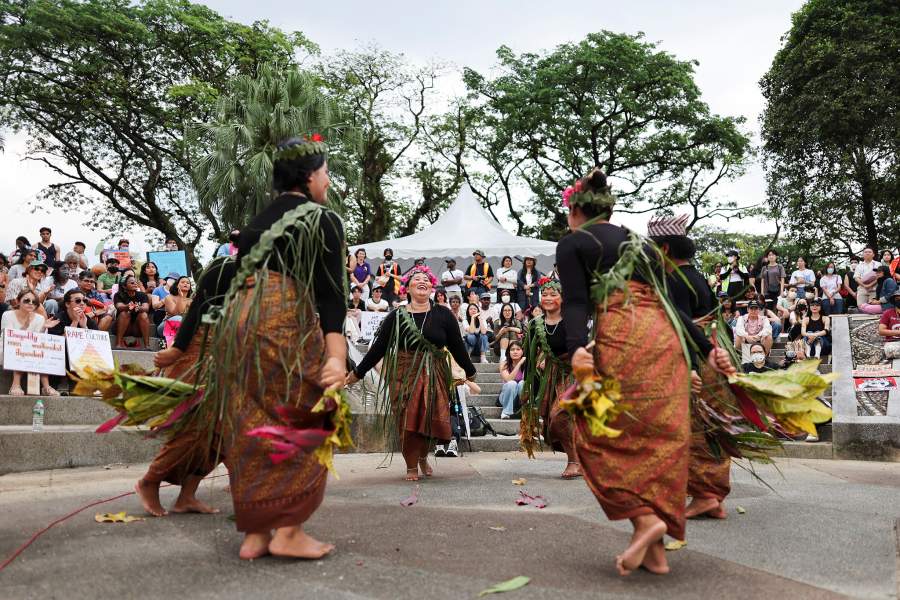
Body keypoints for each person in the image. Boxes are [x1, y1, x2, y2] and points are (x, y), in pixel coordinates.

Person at [558, 167, 734, 576]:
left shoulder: (573, 242)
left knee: (593, 428)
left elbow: (576, 302)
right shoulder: (643, 246)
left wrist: (576, 348)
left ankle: (644, 517)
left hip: (623, 340)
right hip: (666, 344)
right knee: (659, 439)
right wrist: (708, 349)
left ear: (575, 212)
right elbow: (671, 306)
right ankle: (653, 547)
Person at [189, 135, 348, 560]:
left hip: (238, 328)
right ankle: (289, 531)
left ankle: (256, 534)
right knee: (304, 416)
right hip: (284, 324)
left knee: (249, 420)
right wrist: (336, 355)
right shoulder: (321, 219)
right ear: (309, 176)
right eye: (326, 173)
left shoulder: (256, 223)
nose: (328, 181)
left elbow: (233, 282)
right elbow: (331, 295)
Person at [347, 265, 477, 481]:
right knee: (407, 419)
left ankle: (423, 456)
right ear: (407, 288)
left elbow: (457, 346)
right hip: (403, 375)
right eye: (417, 278)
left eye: (426, 279)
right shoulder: (396, 316)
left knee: (428, 418)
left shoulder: (443, 315)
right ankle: (411, 465)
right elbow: (378, 348)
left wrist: (470, 372)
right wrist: (357, 373)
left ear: (432, 287)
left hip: (433, 374)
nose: (422, 281)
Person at [138, 255, 238, 518]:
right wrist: (175, 351)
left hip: (222, 369)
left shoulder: (240, 300)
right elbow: (192, 320)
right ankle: (150, 480)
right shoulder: (212, 295)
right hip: (196, 367)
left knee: (220, 436)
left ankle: (187, 496)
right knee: (193, 431)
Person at [521, 277, 580, 479]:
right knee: (554, 421)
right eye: (544, 294)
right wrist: (527, 387)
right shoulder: (535, 325)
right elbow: (530, 359)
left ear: (562, 298)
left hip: (576, 374)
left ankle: (575, 462)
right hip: (552, 376)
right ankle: (578, 459)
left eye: (553, 294)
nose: (548, 298)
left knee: (559, 415)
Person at [1, 290, 58, 396]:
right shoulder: (7, 315)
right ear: (18, 301)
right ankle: (15, 384)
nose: (31, 303)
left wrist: (43, 328)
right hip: (7, 347)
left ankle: (46, 387)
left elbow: (38, 341)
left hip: (30, 349)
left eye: (34, 302)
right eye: (27, 300)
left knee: (39, 351)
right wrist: (24, 328)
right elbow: (8, 338)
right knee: (21, 348)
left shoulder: (40, 318)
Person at [113, 275, 151, 348]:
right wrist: (128, 307)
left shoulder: (142, 295)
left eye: (136, 282)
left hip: (137, 328)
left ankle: (147, 345)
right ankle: (118, 344)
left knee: (144, 314)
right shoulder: (118, 295)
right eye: (132, 283)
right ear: (124, 286)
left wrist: (137, 307)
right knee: (124, 313)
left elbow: (146, 308)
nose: (135, 284)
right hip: (122, 327)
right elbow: (119, 307)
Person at [498, 340, 526, 419]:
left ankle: (525, 411)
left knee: (522, 383)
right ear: (509, 352)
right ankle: (506, 412)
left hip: (520, 398)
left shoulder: (526, 364)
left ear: (522, 352)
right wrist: (519, 363)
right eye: (512, 349)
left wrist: (524, 364)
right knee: (512, 383)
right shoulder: (504, 364)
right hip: (506, 398)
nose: (515, 352)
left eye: (518, 349)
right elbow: (508, 379)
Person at [158, 276, 192, 340]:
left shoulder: (191, 300)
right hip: (166, 326)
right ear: (177, 285)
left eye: (188, 283)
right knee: (178, 318)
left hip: (183, 327)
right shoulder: (169, 297)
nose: (185, 284)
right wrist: (181, 297)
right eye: (183, 282)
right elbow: (176, 313)